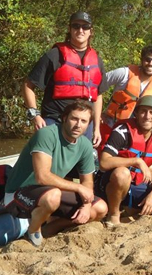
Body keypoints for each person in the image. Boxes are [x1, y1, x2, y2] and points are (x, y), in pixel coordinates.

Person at [3, 100, 108, 247]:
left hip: (48, 192)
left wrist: (86, 205)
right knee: (53, 196)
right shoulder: (46, 134)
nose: (78, 124)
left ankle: (47, 230)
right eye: (74, 118)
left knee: (100, 208)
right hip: (19, 192)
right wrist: (78, 188)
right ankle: (33, 232)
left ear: (88, 124)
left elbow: (88, 182)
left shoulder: (84, 144)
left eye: (84, 121)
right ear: (64, 118)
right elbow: (42, 176)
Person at [22, 11, 108, 146]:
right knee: (49, 163)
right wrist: (35, 116)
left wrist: (97, 128)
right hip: (55, 121)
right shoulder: (54, 55)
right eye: (76, 26)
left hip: (84, 126)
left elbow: (98, 95)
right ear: (69, 29)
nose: (80, 30)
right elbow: (28, 85)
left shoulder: (97, 61)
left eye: (85, 27)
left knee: (84, 164)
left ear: (91, 31)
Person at [95, 96, 152, 226]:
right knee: (122, 174)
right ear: (136, 114)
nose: (147, 116)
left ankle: (131, 207)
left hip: (138, 182)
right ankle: (114, 214)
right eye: (143, 111)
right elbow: (104, 162)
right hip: (112, 181)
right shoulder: (122, 132)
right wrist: (136, 161)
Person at [102, 45, 152, 130]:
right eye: (147, 59)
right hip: (110, 123)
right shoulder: (124, 73)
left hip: (135, 130)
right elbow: (97, 84)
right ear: (142, 60)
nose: (151, 63)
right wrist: (97, 113)